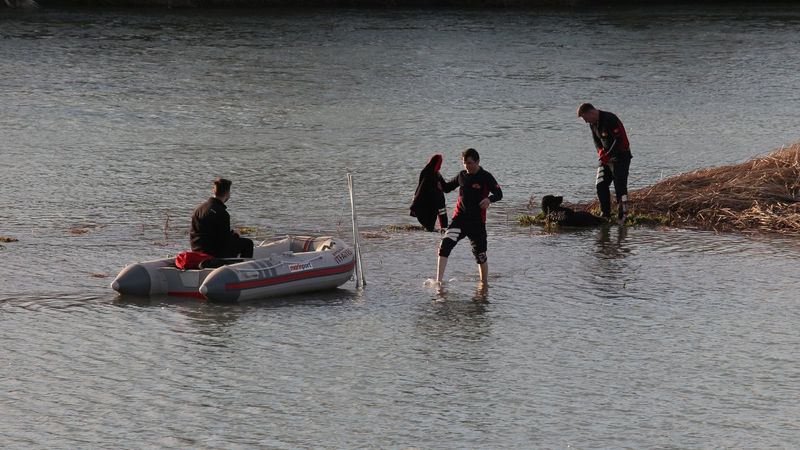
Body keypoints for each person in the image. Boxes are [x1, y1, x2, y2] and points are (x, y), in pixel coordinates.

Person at [436, 148, 502, 285]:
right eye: (464, 163)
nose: (467, 166)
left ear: (477, 161)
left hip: (477, 223)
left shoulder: (486, 176)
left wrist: (489, 200)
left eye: (470, 163)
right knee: (444, 245)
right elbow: (447, 188)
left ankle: (484, 285)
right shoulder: (462, 175)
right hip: (459, 221)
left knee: (481, 256)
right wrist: (436, 175)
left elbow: (499, 193)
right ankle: (438, 283)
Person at [577, 103, 633, 222]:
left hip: (621, 157)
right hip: (606, 158)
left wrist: (608, 155)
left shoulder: (609, 119)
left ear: (591, 113)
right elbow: (597, 141)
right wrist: (601, 153)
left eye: (586, 118)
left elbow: (618, 140)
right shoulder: (593, 124)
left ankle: (623, 215)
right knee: (600, 184)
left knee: (620, 187)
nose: (586, 122)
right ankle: (605, 214)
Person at [190, 177, 254, 259]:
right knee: (248, 243)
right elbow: (224, 241)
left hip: (197, 250)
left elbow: (211, 235)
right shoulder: (222, 213)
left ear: (213, 190)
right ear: (227, 193)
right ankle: (243, 268)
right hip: (214, 254)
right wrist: (235, 235)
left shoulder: (198, 209)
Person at [410, 154, 448, 232]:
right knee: (436, 214)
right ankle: (442, 228)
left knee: (440, 213)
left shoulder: (434, 173)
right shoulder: (429, 173)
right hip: (430, 199)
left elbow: (444, 186)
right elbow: (422, 185)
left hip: (435, 198)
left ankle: (442, 228)